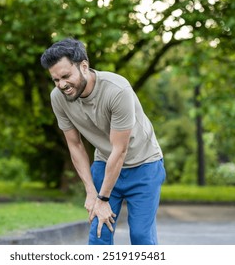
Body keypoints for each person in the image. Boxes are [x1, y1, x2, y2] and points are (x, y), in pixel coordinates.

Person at [40, 38, 166, 245]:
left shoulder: (117, 90)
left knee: (142, 237)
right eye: (55, 80)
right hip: (104, 162)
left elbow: (120, 149)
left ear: (84, 66)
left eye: (66, 76)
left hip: (144, 164)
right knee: (99, 234)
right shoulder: (58, 97)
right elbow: (75, 145)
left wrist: (103, 198)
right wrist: (91, 192)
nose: (62, 85)